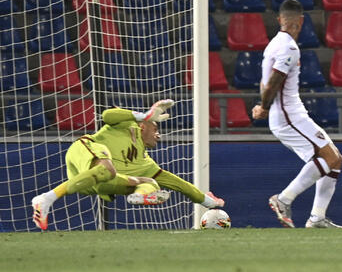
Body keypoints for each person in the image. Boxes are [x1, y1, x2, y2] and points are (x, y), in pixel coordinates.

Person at [31, 99, 225, 231]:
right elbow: (107, 115)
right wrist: (144, 115)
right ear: (143, 126)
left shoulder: (145, 161)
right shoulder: (128, 125)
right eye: (155, 127)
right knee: (107, 169)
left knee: (150, 181)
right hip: (85, 150)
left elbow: (177, 184)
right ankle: (45, 199)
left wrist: (208, 202)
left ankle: (139, 196)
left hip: (92, 182)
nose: (159, 135)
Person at [252, 0, 342, 229]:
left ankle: (317, 217)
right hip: (289, 116)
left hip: (290, 115)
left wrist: (262, 103)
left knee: (334, 160)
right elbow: (274, 82)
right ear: (301, 21)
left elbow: (267, 81)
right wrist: (264, 106)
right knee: (330, 159)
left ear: (279, 19)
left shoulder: (274, 44)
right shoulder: (289, 48)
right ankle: (283, 199)